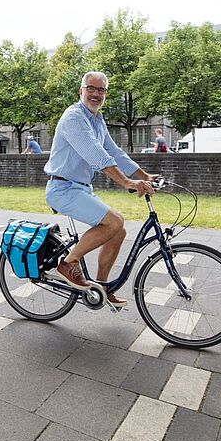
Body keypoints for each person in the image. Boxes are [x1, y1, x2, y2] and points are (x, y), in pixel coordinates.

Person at [44, 71, 156, 308]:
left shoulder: (97, 119)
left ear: (105, 94)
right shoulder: (73, 117)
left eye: (101, 90)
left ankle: (101, 288)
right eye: (91, 88)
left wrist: (144, 176)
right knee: (114, 221)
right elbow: (95, 153)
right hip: (62, 187)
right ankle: (68, 262)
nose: (95, 94)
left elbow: (113, 151)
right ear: (81, 91)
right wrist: (126, 182)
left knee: (119, 230)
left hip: (81, 188)